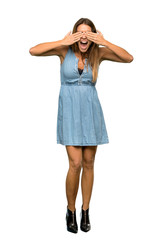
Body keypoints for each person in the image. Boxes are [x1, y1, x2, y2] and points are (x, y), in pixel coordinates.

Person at [29, 17, 133, 234]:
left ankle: (86, 211)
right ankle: (70, 210)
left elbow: (128, 58)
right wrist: (63, 41)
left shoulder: (98, 53)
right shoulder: (63, 50)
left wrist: (105, 41)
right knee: (74, 163)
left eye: (87, 33)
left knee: (89, 162)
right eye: (80, 32)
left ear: (92, 35)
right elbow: (33, 50)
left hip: (90, 111)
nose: (83, 36)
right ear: (75, 34)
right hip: (69, 111)